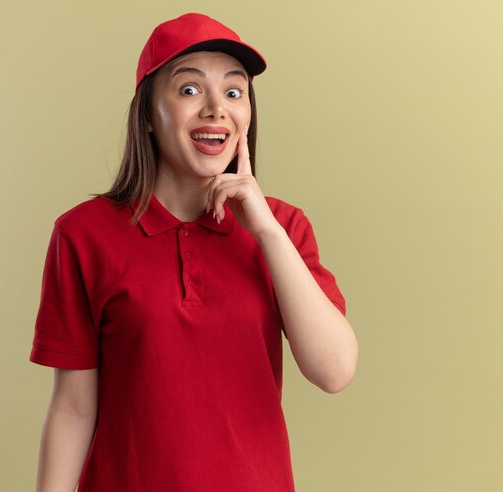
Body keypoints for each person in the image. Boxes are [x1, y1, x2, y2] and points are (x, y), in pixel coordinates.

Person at [29, 12, 358, 492]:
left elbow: (334, 372)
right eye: (188, 90)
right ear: (146, 114)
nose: (215, 109)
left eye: (233, 91)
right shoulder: (83, 235)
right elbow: (73, 407)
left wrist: (265, 230)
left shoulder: (284, 227)